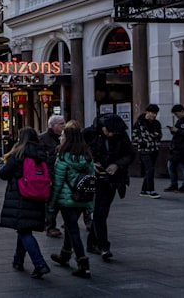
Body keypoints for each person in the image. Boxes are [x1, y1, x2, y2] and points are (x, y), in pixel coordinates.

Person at [0, 127, 51, 279]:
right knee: (24, 228)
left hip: (21, 196)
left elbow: (4, 173)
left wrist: (1, 164)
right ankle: (18, 260)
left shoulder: (18, 154)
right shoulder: (41, 153)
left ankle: (40, 264)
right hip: (38, 195)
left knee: (24, 231)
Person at [84, 113, 136, 261]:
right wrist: (89, 163)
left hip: (113, 178)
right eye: (110, 131)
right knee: (100, 211)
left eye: (115, 132)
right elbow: (77, 151)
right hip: (95, 178)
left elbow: (130, 154)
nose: (112, 134)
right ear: (103, 127)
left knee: (103, 211)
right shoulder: (90, 134)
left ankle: (91, 242)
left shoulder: (120, 136)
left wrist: (117, 165)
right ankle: (104, 246)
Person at [47, 121, 95, 279]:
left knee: (73, 230)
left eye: (63, 135)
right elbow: (91, 179)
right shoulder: (87, 156)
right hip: (82, 197)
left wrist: (51, 206)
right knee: (70, 227)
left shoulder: (62, 156)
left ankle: (83, 264)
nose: (61, 137)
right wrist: (90, 204)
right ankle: (65, 255)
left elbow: (58, 182)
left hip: (67, 200)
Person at [39, 114, 66, 237]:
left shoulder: (65, 137)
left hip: (64, 173)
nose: (63, 126)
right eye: (61, 123)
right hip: (51, 174)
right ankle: (49, 226)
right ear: (53, 125)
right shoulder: (43, 139)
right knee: (51, 202)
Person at [133, 104, 163, 197]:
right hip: (144, 149)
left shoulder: (156, 123)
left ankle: (144, 190)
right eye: (152, 113)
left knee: (149, 169)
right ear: (147, 112)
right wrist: (144, 142)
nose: (154, 115)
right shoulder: (139, 123)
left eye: (155, 113)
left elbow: (160, 135)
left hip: (154, 149)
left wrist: (157, 136)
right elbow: (135, 136)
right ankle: (151, 190)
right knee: (150, 169)